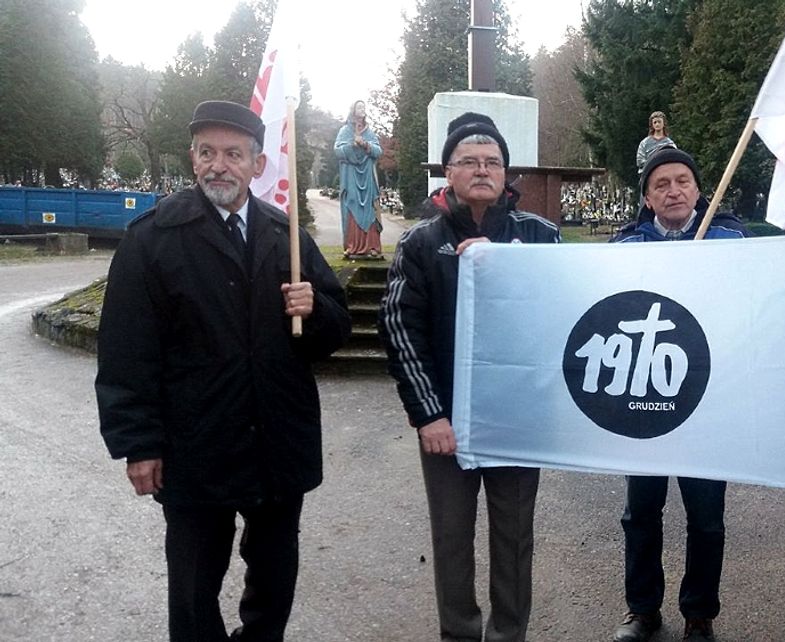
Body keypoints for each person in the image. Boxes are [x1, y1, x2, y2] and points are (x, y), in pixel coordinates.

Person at [95, 100, 352, 641]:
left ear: (257, 165)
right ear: (192, 159)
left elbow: (334, 333)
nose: (219, 165)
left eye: (233, 154)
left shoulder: (288, 237)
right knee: (193, 586)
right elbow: (126, 352)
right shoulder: (154, 239)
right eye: (207, 152)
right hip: (195, 446)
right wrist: (138, 444)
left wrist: (317, 310)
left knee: (275, 577)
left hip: (277, 442)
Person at [382, 112, 561, 642]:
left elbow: (562, 313)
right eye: (470, 161)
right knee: (453, 538)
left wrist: (507, 263)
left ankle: (510, 633)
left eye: (493, 162)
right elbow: (399, 328)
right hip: (447, 423)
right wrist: (428, 413)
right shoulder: (420, 243)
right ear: (448, 172)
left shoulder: (540, 237)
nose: (482, 170)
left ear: (507, 174)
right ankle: (459, 634)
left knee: (514, 538)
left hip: (517, 420)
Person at [609, 148, 747, 642]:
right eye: (661, 183)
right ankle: (642, 608)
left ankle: (699, 613)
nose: (673, 190)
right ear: (647, 197)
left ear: (697, 189)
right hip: (645, 401)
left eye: (683, 181)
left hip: (707, 403)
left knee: (707, 518)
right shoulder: (627, 245)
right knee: (641, 512)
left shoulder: (730, 240)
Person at [335, 99, 383, 258]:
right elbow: (337, 151)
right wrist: (352, 145)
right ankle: (352, 246)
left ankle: (372, 246)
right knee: (352, 204)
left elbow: (378, 151)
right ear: (353, 110)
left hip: (367, 176)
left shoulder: (369, 132)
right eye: (359, 106)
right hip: (351, 176)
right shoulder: (345, 131)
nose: (362, 109)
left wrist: (366, 145)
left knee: (369, 207)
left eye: (364, 107)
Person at [636, 111, 676, 175]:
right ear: (652, 124)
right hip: (648, 174)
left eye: (659, 122)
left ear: (664, 123)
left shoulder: (669, 143)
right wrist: (654, 164)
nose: (657, 124)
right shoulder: (644, 142)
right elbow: (640, 161)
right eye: (655, 122)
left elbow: (674, 159)